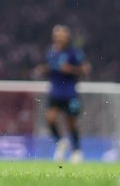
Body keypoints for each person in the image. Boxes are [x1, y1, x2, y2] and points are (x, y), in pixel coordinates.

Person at [34, 24, 91, 163]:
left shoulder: (74, 52)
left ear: (67, 37)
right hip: (55, 92)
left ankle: (76, 151)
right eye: (57, 36)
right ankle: (61, 142)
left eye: (62, 36)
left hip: (70, 93)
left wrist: (70, 69)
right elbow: (53, 66)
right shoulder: (51, 51)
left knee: (70, 123)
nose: (59, 38)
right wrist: (44, 69)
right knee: (50, 119)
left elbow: (86, 69)